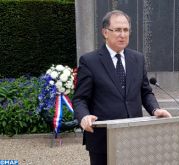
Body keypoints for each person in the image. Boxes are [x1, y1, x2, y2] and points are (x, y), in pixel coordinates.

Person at [72, 10, 172, 165]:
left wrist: (155, 109)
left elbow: (145, 92)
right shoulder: (89, 61)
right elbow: (80, 99)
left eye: (126, 30)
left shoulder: (138, 59)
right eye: (117, 30)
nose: (122, 34)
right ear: (105, 32)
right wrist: (84, 116)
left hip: (133, 137)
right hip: (102, 140)